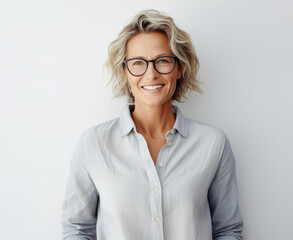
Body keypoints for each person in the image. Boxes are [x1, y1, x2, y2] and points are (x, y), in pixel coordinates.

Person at [61, 9, 243, 240]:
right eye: (138, 63)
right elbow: (76, 229)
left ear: (179, 68)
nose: (151, 74)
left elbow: (227, 229)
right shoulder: (93, 144)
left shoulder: (212, 143)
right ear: (125, 71)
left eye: (163, 61)